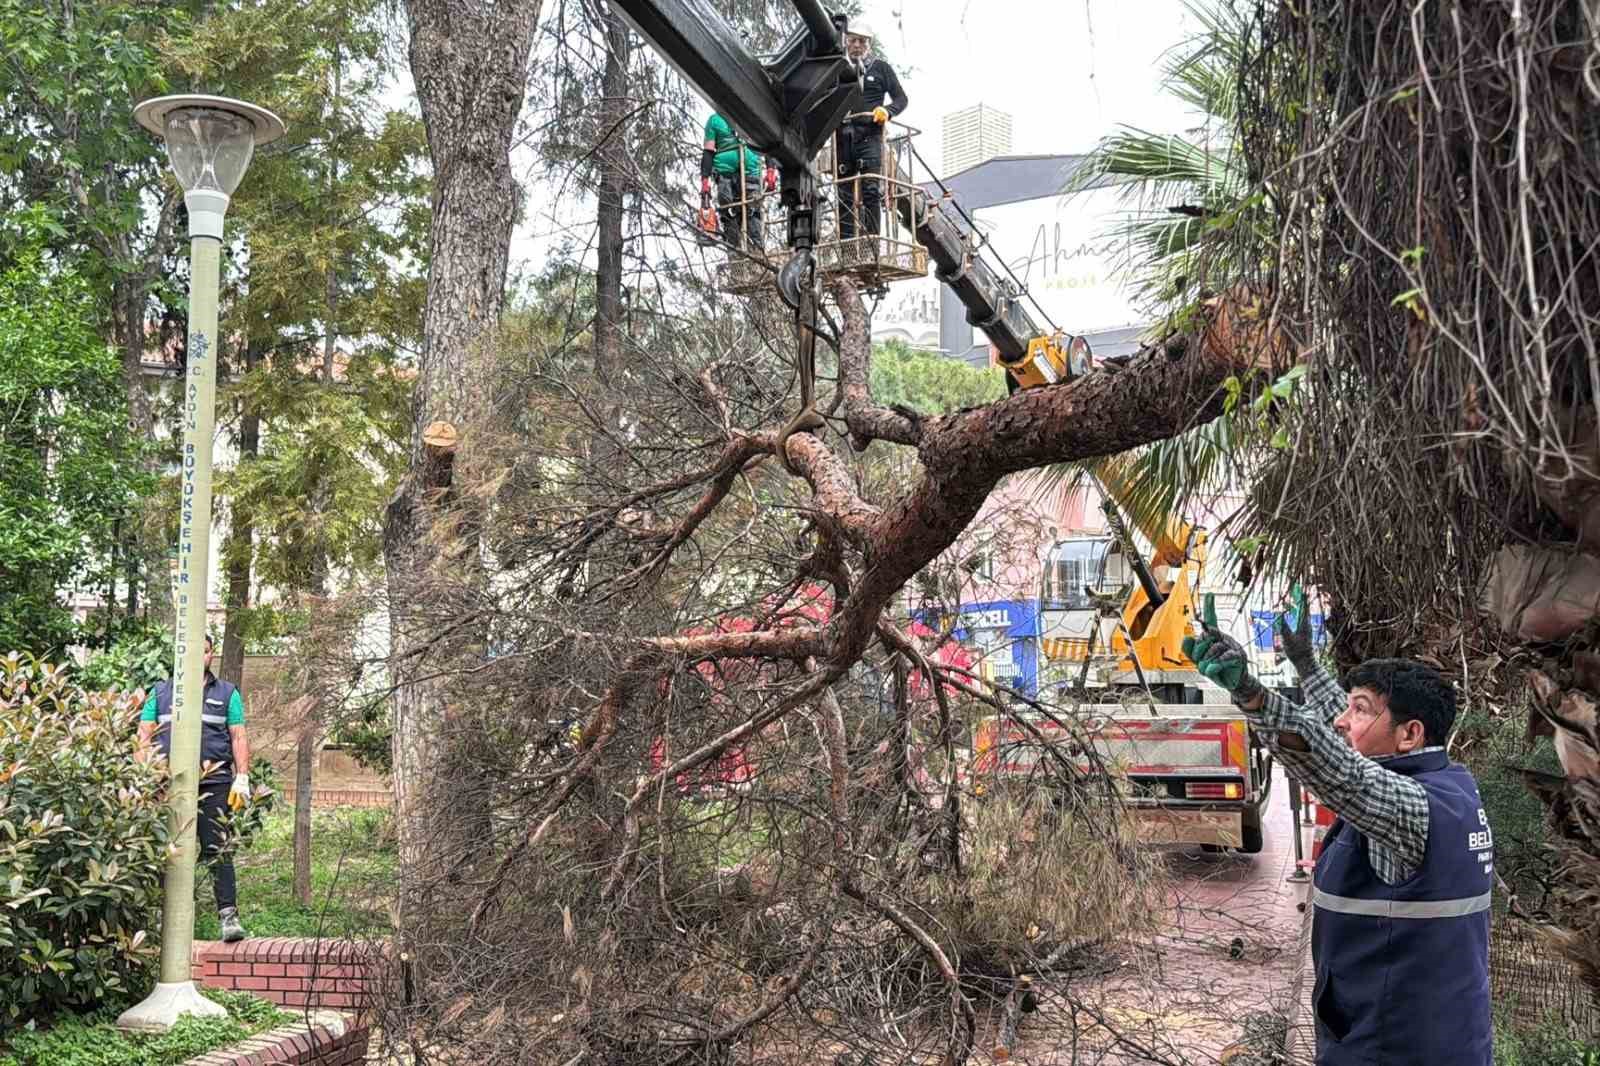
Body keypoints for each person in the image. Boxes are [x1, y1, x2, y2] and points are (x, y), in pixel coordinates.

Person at [1183, 587, 1492, 1066]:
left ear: (1411, 734)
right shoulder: (1449, 783)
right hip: (1418, 1032)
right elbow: (1343, 733)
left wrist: (1251, 693)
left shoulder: (1412, 805)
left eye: (1361, 708)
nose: (1344, 721)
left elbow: (1338, 769)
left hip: (1396, 1048)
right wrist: (1305, 664)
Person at [137, 634, 253, 942]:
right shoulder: (159, 693)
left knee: (218, 848)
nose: (197, 657)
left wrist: (242, 777)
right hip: (167, 785)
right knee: (164, 849)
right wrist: (143, 776)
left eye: (203, 651)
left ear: (210, 655)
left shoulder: (228, 694)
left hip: (214, 784)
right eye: (190, 652)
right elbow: (144, 736)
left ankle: (228, 916)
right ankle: (160, 918)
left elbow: (238, 736)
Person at [835, 25, 908, 240]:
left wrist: (887, 110)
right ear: (845, 42)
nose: (857, 45)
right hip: (843, 136)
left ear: (869, 44)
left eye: (862, 41)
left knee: (870, 189)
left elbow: (902, 99)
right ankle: (846, 245)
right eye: (853, 40)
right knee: (844, 193)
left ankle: (872, 245)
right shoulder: (837, 68)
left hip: (870, 135)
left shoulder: (880, 69)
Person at [701, 112, 775, 253]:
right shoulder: (714, 120)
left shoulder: (752, 112)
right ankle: (735, 258)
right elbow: (708, 152)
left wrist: (771, 169)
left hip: (751, 171)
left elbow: (767, 143)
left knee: (752, 212)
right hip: (724, 172)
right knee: (728, 212)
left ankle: (757, 257)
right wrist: (705, 180)